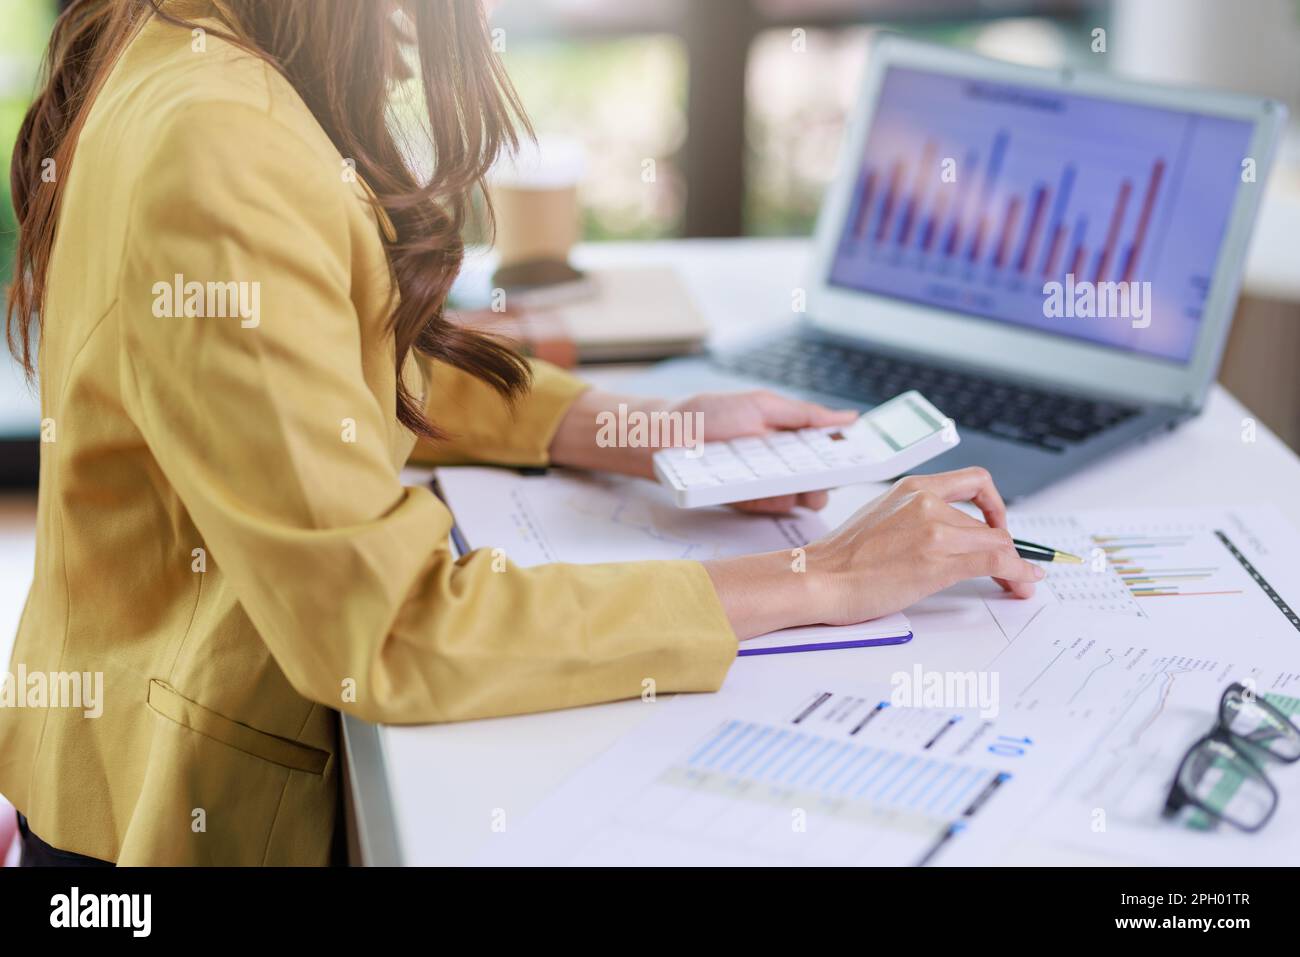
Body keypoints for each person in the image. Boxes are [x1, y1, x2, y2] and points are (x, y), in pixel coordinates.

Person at [0, 0, 1042, 866]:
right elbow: (395, 630)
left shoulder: (184, 44)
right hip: (162, 813)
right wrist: (822, 578)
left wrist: (637, 425)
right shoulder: (220, 142)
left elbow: (320, 365)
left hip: (109, 753)